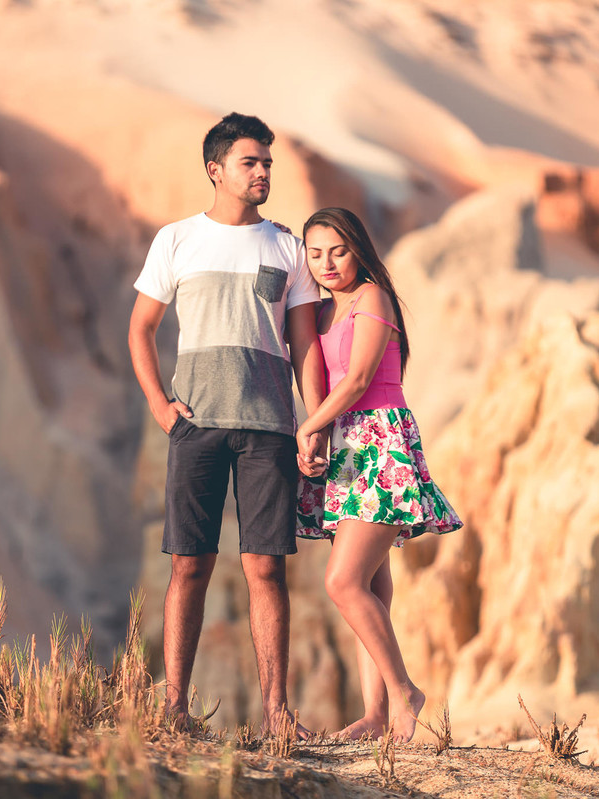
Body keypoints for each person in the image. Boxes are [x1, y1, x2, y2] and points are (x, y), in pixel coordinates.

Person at [128, 112, 327, 735]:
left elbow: (306, 348)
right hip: (198, 427)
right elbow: (140, 328)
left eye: (267, 162)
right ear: (216, 170)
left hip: (269, 427)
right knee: (189, 563)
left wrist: (313, 422)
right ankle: (173, 709)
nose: (264, 171)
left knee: (266, 567)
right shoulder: (177, 239)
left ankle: (276, 712)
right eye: (251, 162)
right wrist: (162, 407)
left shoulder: (288, 246)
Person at [295, 207, 462, 743]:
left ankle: (403, 691)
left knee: (342, 582)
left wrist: (309, 427)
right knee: (368, 586)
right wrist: (319, 435)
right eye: (315, 254)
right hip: (345, 446)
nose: (327, 264)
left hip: (379, 441)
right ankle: (375, 714)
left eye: (337, 251)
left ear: (358, 248)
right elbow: (318, 379)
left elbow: (361, 377)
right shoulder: (321, 311)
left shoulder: (373, 297)